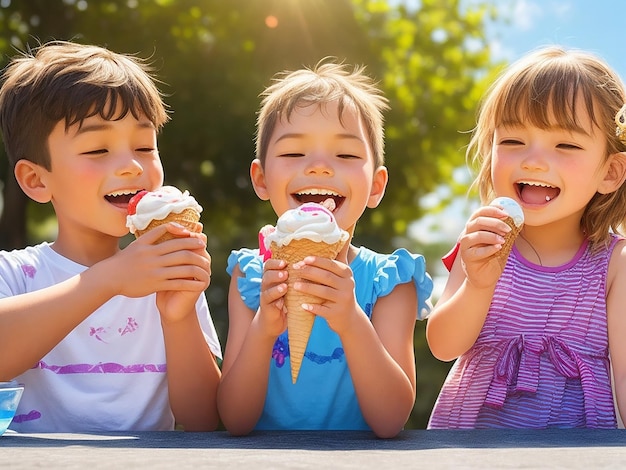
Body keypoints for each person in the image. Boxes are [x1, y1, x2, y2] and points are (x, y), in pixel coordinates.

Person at [0, 41, 222, 432]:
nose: (131, 165)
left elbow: (203, 419)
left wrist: (178, 317)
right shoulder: (16, 274)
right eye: (98, 148)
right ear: (36, 180)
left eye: (144, 146)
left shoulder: (169, 272)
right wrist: (108, 279)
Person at [217, 61, 433, 438]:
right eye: (294, 153)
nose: (318, 167)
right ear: (261, 179)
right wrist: (263, 330)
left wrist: (351, 321)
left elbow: (391, 420)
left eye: (346, 156)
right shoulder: (250, 276)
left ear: (377, 186)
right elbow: (234, 419)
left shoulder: (390, 281)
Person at [426, 46, 626, 429]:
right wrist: (479, 285)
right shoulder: (482, 238)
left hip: (574, 454)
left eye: (565, 144)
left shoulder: (615, 263)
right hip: (470, 448)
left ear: (611, 172)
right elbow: (442, 345)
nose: (532, 159)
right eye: (512, 141)